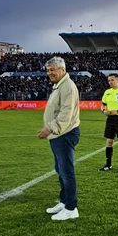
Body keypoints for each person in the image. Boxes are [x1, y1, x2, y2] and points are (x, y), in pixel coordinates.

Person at [37, 57, 81, 221]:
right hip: (59, 135)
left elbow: (65, 114)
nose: (49, 73)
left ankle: (71, 208)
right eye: (48, 70)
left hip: (65, 134)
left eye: (52, 70)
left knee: (66, 171)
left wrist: (50, 128)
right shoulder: (60, 86)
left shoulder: (67, 86)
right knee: (60, 170)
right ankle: (64, 201)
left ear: (62, 70)